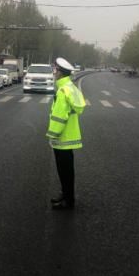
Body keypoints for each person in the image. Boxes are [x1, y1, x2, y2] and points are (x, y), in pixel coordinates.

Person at [46, 58, 86, 210]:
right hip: (69, 136)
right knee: (67, 170)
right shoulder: (71, 87)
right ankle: (66, 195)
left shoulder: (63, 91)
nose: (54, 73)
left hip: (61, 137)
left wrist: (52, 134)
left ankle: (68, 201)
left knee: (65, 171)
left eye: (55, 70)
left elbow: (59, 116)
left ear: (61, 73)